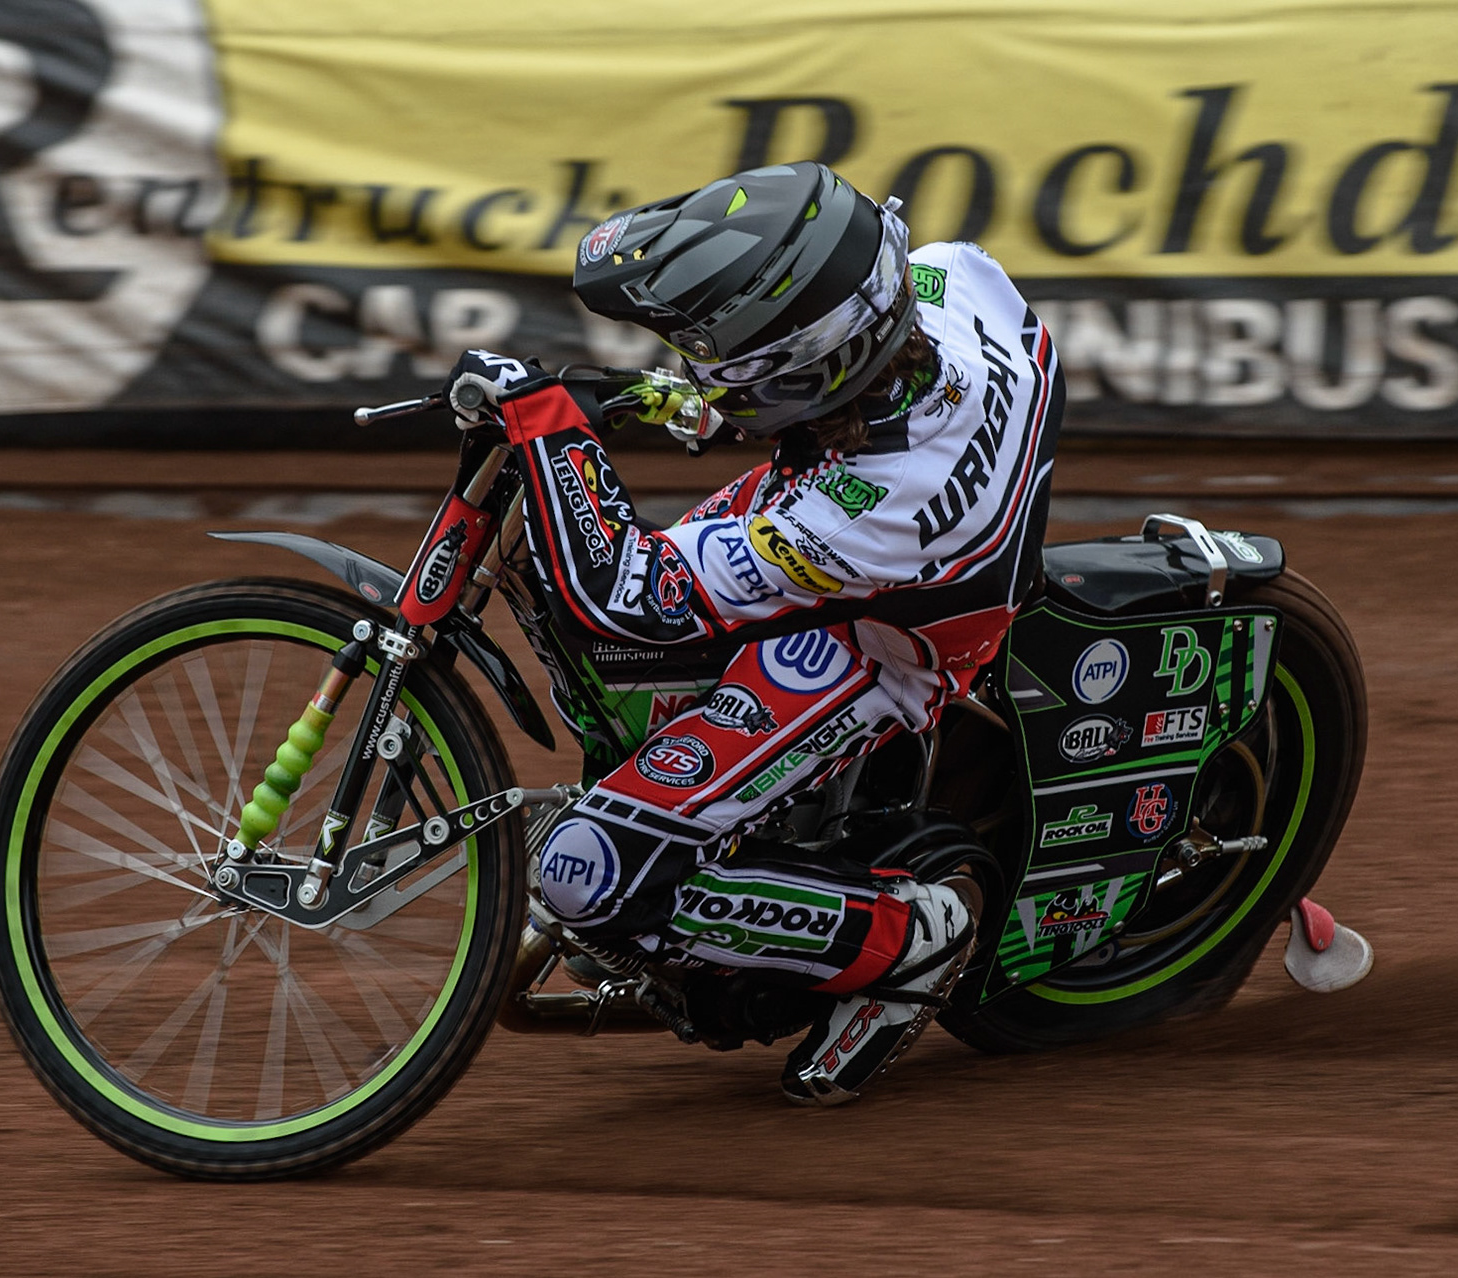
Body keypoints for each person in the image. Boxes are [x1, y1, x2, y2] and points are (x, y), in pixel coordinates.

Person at [442, 160, 1063, 1105]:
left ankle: (909, 940)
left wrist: (552, 430)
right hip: (879, 523)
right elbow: (800, 390)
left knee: (582, 877)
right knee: (589, 585)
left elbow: (633, 595)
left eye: (722, 367)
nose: (705, 378)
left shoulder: (875, 505)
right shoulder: (948, 277)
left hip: (880, 643)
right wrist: (672, 399)